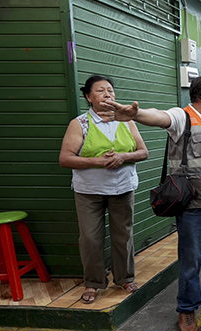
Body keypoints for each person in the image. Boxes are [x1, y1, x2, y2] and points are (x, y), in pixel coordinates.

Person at [100, 75, 201, 331]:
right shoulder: (183, 117)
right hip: (194, 209)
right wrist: (136, 114)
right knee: (191, 262)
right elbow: (159, 116)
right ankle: (187, 309)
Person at [59, 75, 148, 304]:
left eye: (110, 90)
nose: (108, 94)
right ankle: (93, 283)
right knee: (90, 238)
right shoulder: (80, 124)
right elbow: (65, 158)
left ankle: (125, 278)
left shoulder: (127, 121)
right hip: (89, 191)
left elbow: (143, 152)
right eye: (100, 91)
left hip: (123, 188)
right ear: (89, 97)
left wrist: (123, 157)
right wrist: (98, 161)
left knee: (123, 235)